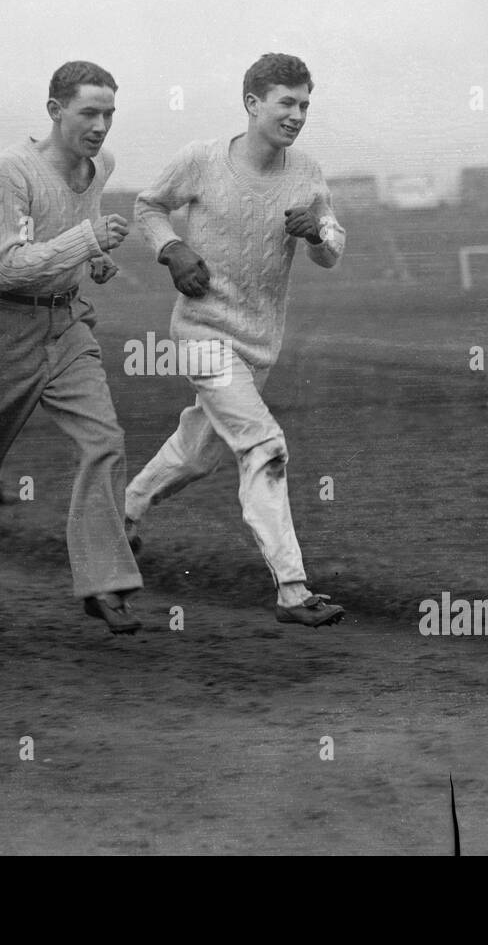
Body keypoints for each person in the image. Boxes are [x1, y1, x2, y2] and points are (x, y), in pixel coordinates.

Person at [0, 61, 143, 634]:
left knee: (104, 440)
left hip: (66, 326)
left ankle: (104, 582)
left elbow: (75, 220)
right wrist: (86, 241)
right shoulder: (10, 172)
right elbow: (9, 268)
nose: (100, 126)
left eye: (109, 113)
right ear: (54, 110)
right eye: (88, 112)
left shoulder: (101, 165)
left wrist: (94, 258)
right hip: (2, 329)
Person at [125, 53, 347, 628]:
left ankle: (122, 515)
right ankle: (293, 589)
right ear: (252, 104)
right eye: (286, 103)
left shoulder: (307, 172)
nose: (297, 115)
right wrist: (170, 249)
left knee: (199, 452)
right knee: (264, 445)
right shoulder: (200, 161)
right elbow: (148, 206)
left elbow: (331, 252)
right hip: (201, 334)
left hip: (259, 346)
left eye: (304, 105)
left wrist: (318, 231)